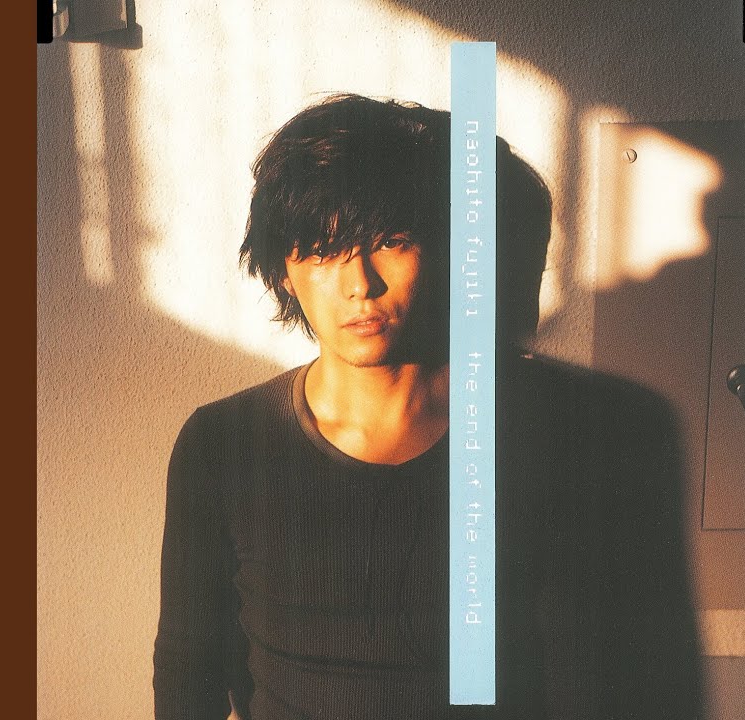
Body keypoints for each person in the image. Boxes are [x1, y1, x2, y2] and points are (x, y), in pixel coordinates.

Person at [154, 94, 702, 720]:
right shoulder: (224, 442)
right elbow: (187, 675)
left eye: (391, 241)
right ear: (284, 270)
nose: (360, 284)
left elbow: (619, 683)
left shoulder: (572, 432)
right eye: (322, 250)